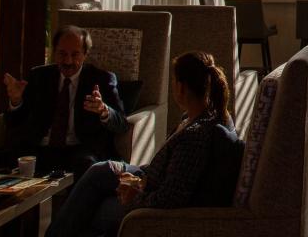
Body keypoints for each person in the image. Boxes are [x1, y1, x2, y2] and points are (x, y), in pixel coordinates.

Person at [46, 51, 237, 237]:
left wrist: (135, 196)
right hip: (148, 180)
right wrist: (139, 180)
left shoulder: (195, 136)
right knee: (101, 170)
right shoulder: (191, 118)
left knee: (93, 208)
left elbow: (170, 198)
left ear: (181, 87)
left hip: (151, 200)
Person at [0, 25, 127, 179]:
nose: (68, 61)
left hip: (78, 150)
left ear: (85, 54)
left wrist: (104, 110)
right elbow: (14, 122)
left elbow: (122, 124)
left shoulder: (103, 79)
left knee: (87, 166)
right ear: (54, 52)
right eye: (62, 54)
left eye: (75, 54)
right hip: (38, 149)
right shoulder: (39, 76)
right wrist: (16, 101)